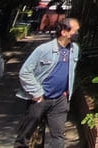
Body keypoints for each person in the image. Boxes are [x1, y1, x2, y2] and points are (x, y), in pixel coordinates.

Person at [14, 17, 80, 148]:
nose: (77, 33)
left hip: (60, 99)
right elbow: (25, 72)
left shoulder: (74, 49)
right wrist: (37, 93)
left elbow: (70, 72)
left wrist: (66, 91)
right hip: (40, 99)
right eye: (75, 30)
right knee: (25, 135)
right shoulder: (44, 50)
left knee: (58, 136)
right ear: (64, 32)